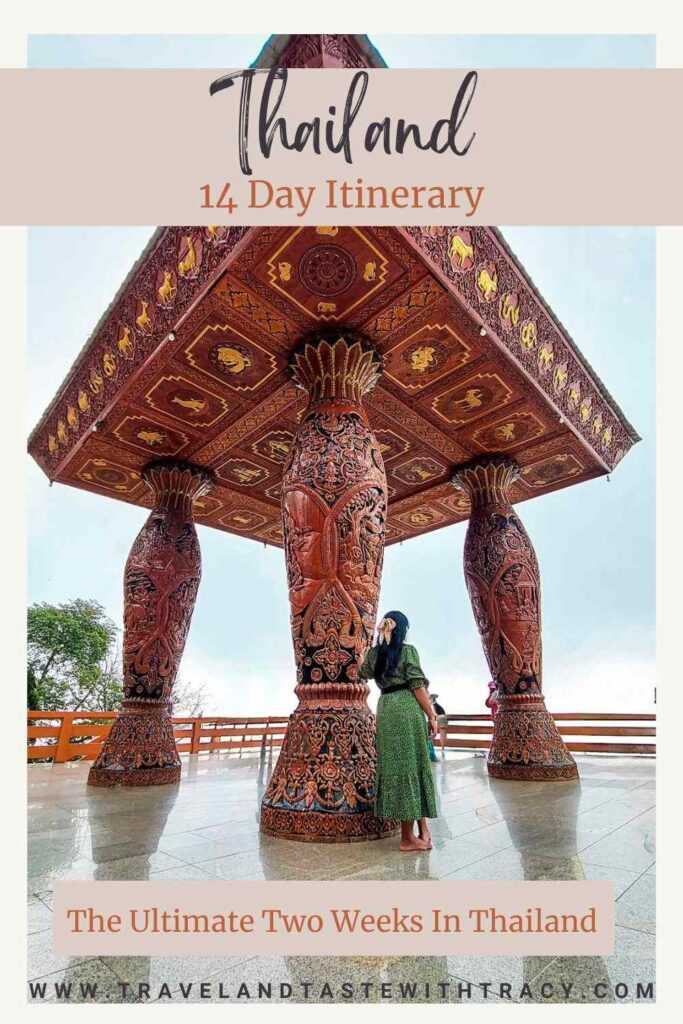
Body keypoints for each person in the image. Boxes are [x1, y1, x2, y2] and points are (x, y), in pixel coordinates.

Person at [359, 610, 438, 853]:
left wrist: (367, 648)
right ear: (401, 629)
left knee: (402, 765)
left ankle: (422, 830)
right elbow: (417, 685)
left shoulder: (376, 655)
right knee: (412, 765)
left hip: (386, 708)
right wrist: (431, 714)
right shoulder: (408, 651)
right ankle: (406, 838)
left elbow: (363, 673)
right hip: (406, 707)